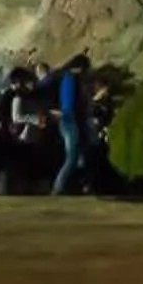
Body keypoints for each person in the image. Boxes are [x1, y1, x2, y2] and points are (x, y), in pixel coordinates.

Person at [51, 54, 91, 197]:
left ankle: (81, 185)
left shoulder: (67, 78)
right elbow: (69, 104)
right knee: (72, 156)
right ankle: (59, 186)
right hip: (70, 121)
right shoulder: (71, 79)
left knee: (80, 156)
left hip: (70, 120)